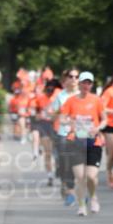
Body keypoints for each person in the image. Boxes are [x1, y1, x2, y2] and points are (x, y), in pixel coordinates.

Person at [60, 71, 107, 217]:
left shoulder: (97, 100)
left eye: (89, 83)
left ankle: (93, 197)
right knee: (80, 177)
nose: (86, 85)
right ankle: (81, 205)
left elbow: (105, 119)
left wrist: (98, 128)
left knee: (91, 177)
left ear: (92, 85)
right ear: (79, 84)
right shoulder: (71, 101)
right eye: (84, 82)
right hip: (75, 141)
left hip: (93, 141)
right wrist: (69, 122)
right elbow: (62, 118)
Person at [50, 70, 79, 206]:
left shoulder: (83, 95)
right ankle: (68, 187)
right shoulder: (60, 96)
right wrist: (61, 117)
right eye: (71, 76)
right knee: (65, 162)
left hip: (81, 133)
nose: (73, 79)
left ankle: (73, 189)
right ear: (65, 79)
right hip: (63, 132)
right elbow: (52, 114)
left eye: (76, 77)